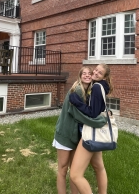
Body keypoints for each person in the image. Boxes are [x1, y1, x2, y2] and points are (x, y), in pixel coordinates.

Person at [53, 66, 107, 194]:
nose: (88, 75)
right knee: (62, 169)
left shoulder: (88, 90)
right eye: (84, 73)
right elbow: (79, 115)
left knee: (73, 171)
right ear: (79, 76)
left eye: (90, 73)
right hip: (65, 134)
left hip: (75, 136)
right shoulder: (77, 89)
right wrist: (101, 121)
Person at [69, 63, 113, 194]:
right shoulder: (101, 86)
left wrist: (76, 102)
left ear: (104, 77)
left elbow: (92, 113)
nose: (95, 73)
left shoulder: (97, 87)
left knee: (75, 175)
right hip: (98, 133)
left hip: (90, 132)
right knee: (98, 167)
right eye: (96, 70)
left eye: (99, 73)